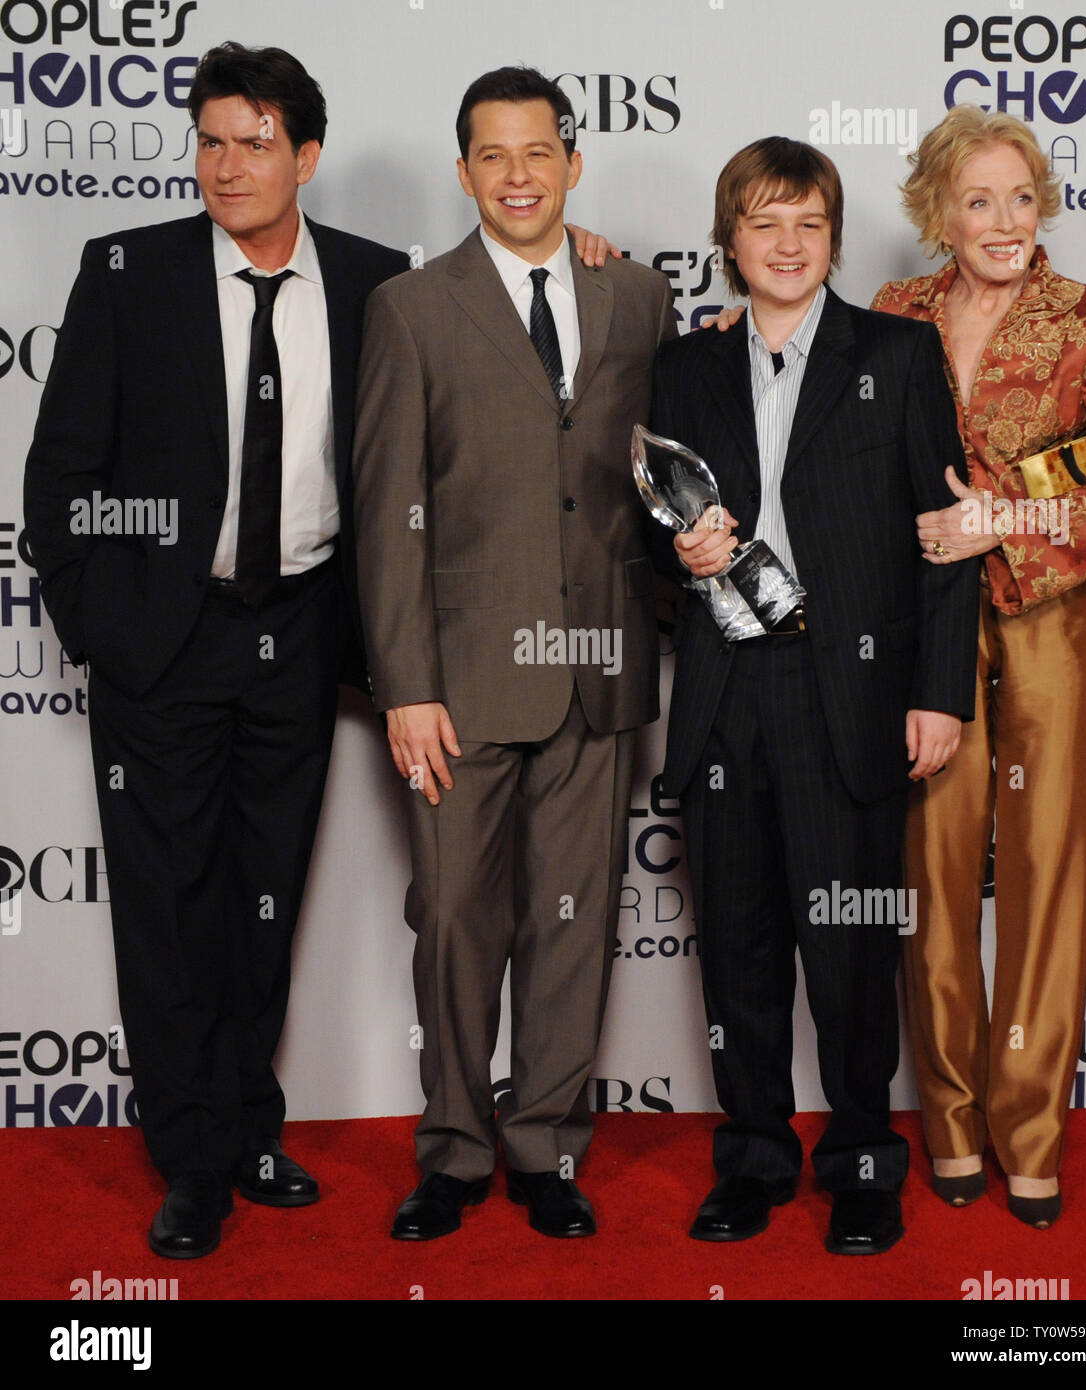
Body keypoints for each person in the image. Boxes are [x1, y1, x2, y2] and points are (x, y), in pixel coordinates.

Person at [22, 42, 411, 1258]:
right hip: (162, 642)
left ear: (304, 156)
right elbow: (61, 477)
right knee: (167, 904)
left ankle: (250, 1126)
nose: (226, 165)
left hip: (296, 634)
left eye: (253, 142)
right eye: (209, 140)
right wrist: (106, 624)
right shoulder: (126, 271)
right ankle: (190, 1160)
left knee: (264, 895)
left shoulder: (372, 282)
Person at [353, 65, 675, 1241]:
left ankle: (542, 1144)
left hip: (597, 666)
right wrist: (407, 685)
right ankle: (451, 1150)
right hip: (462, 677)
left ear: (572, 163)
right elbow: (389, 506)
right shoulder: (411, 307)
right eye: (491, 156)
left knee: (571, 917)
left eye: (537, 152)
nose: (517, 175)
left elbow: (662, 464)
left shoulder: (635, 297)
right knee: (452, 916)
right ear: (462, 174)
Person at [651, 137, 978, 1253]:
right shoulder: (682, 366)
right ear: (727, 240)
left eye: (806, 223)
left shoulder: (898, 349)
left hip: (852, 692)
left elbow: (944, 538)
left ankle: (859, 1163)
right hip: (724, 686)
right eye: (761, 223)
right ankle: (749, 1158)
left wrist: (938, 695)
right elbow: (643, 530)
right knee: (736, 948)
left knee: (848, 951)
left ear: (832, 238)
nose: (785, 245)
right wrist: (678, 558)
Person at [872, 105, 1086, 1228]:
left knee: (1042, 873)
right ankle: (946, 1118)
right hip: (920, 622)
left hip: (1050, 619)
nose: (1001, 221)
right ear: (937, 210)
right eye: (975, 199)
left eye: (1019, 197)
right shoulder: (890, 314)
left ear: (1045, 205)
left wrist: (1000, 513)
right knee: (929, 872)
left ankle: (1027, 1130)